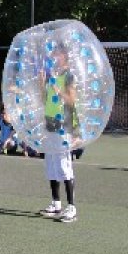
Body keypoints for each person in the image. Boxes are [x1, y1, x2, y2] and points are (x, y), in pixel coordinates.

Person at [38, 43, 78, 223]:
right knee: (51, 164)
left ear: (64, 55)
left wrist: (58, 91)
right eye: (53, 54)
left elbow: (71, 100)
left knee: (63, 165)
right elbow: (45, 100)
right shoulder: (52, 76)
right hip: (50, 123)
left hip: (63, 125)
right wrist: (42, 84)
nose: (54, 57)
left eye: (57, 54)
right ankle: (56, 204)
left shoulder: (69, 75)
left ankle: (72, 207)